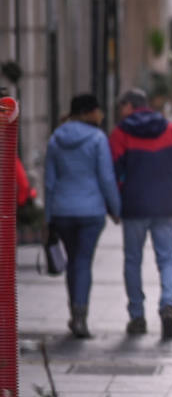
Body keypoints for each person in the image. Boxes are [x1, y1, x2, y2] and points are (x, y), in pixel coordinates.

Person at [110, 88, 172, 341]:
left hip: (134, 206)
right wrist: (167, 178)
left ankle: (137, 316)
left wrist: (119, 197)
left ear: (129, 106)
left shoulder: (121, 134)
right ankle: (167, 305)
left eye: (121, 105)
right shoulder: (171, 130)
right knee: (166, 258)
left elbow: (114, 171)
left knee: (133, 260)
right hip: (166, 205)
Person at [43, 93, 121, 339]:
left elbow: (49, 182)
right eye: (98, 110)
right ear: (88, 112)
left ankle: (73, 311)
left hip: (62, 211)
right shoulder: (98, 139)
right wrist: (115, 209)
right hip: (91, 211)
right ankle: (80, 316)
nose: (102, 115)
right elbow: (107, 179)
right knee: (83, 261)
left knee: (73, 261)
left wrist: (47, 217)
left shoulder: (56, 138)